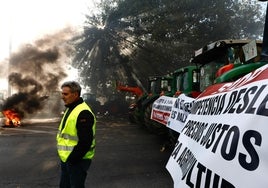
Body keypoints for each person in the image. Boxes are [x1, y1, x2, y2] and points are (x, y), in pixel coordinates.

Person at [56, 81, 96, 188]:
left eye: (65, 94)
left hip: (77, 160)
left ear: (75, 94)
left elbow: (85, 141)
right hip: (68, 159)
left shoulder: (83, 112)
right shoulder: (71, 108)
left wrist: (72, 160)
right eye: (62, 94)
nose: (62, 97)